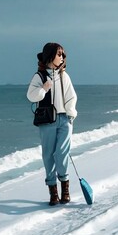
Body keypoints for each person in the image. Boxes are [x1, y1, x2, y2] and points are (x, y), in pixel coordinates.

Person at [27, 42, 77, 206]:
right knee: (48, 155)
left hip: (64, 120)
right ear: (50, 56)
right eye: (58, 54)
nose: (61, 57)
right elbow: (31, 96)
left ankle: (65, 188)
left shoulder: (64, 76)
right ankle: (53, 191)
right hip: (47, 121)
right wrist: (44, 89)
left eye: (63, 54)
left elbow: (71, 97)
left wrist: (71, 115)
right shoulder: (39, 76)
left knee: (62, 153)